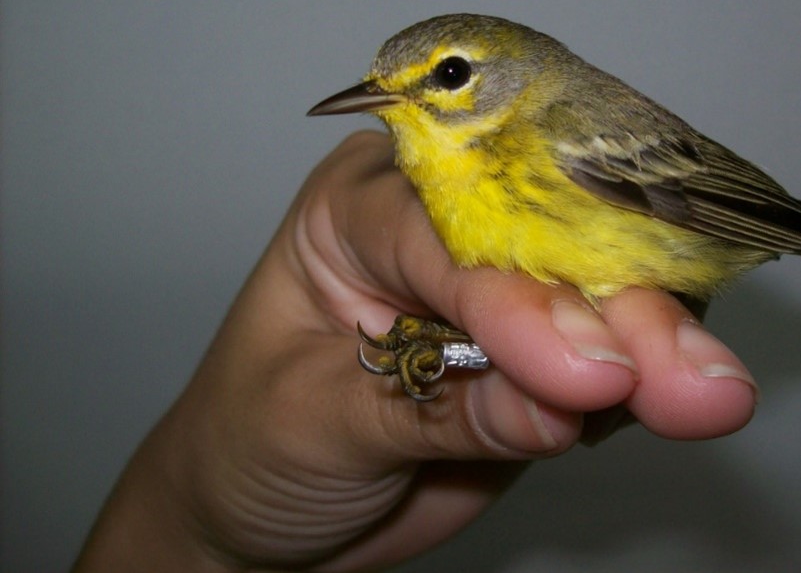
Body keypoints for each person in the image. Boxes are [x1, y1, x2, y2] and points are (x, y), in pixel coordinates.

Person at [73, 132, 758, 572]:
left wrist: (198, 544)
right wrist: (197, 536)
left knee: (565, 337)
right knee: (536, 336)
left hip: (692, 234)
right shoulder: (439, 180)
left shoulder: (557, 133)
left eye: (448, 75)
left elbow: (699, 195)